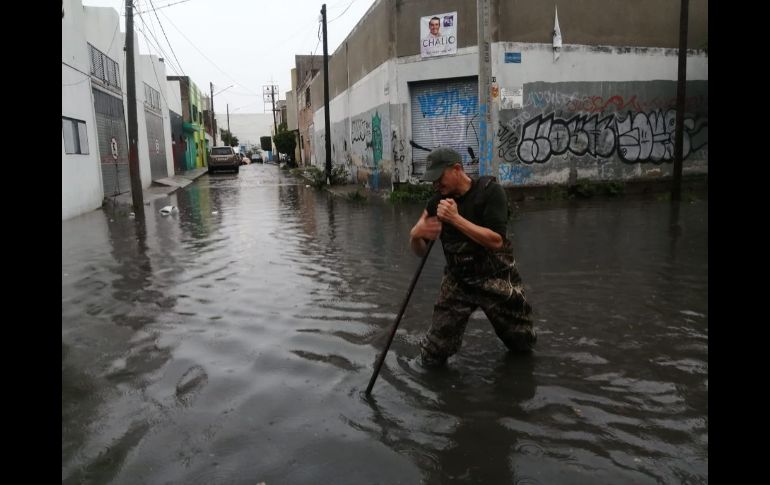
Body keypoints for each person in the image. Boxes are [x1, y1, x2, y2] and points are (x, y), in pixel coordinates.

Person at [409, 147, 537, 366]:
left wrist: (455, 219)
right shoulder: (436, 204)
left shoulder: (490, 192)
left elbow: (496, 241)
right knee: (432, 355)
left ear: (457, 169)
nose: (436, 185)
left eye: (439, 178)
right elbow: (421, 252)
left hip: (496, 276)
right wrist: (415, 236)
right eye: (432, 181)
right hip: (458, 281)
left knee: (522, 344)